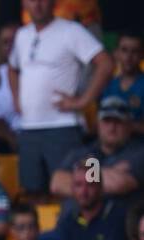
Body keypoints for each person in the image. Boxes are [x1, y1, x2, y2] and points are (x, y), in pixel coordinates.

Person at [8, 0, 113, 196]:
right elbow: (12, 69)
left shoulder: (71, 31)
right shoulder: (22, 34)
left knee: (69, 192)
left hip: (62, 126)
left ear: (53, 3)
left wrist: (83, 101)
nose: (37, 5)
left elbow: (105, 63)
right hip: (28, 128)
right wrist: (16, 99)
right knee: (31, 193)